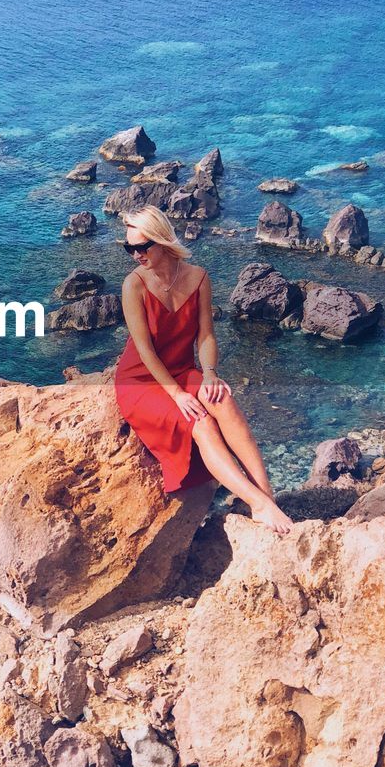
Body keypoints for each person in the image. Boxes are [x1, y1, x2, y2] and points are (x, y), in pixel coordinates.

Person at [113, 205, 292, 535]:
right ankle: (258, 504)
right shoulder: (133, 285)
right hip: (140, 381)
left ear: (162, 241)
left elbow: (206, 335)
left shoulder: (197, 278)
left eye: (141, 246)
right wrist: (177, 394)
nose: (135, 254)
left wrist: (209, 372)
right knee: (202, 424)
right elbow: (145, 351)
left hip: (183, 368)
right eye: (129, 248)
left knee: (223, 400)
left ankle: (266, 496)